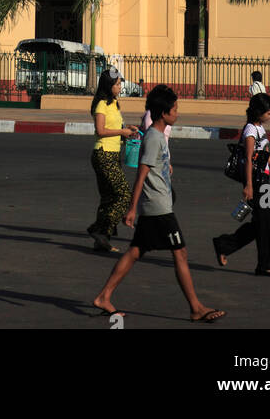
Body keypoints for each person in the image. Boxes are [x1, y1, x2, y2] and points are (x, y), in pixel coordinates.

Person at [92, 84, 225, 323]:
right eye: (174, 109)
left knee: (135, 251)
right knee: (180, 252)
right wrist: (132, 208)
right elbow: (141, 173)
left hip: (157, 206)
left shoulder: (157, 135)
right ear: (164, 113)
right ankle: (195, 307)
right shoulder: (153, 137)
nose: (177, 113)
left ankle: (104, 296)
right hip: (158, 208)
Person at [212, 92, 270, 276]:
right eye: (268, 113)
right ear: (258, 112)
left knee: (264, 223)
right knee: (264, 223)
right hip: (256, 182)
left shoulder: (260, 129)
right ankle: (265, 265)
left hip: (265, 182)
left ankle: (224, 245)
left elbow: (267, 156)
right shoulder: (250, 130)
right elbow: (248, 159)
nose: (269, 116)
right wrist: (248, 185)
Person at [86, 69, 140, 253]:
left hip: (113, 154)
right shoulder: (101, 104)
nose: (119, 87)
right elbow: (100, 131)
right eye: (117, 84)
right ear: (108, 86)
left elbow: (115, 127)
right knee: (124, 195)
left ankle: (101, 241)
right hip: (104, 154)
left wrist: (127, 130)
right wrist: (121, 132)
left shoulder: (114, 103)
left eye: (119, 83)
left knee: (109, 197)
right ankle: (98, 229)